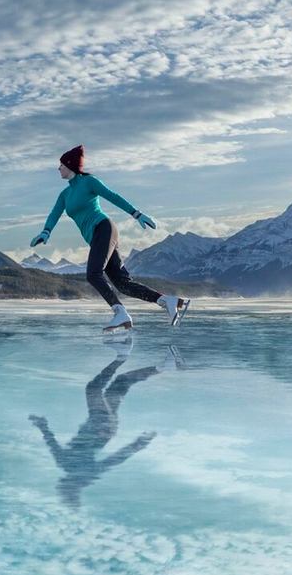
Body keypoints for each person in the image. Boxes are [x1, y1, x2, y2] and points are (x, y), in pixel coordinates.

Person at [31, 145, 187, 331]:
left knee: (93, 274)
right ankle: (166, 301)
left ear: (70, 164)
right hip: (97, 236)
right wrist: (45, 232)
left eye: (61, 165)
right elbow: (54, 214)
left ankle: (120, 313)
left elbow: (113, 196)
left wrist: (137, 214)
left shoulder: (89, 182)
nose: (59, 168)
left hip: (104, 228)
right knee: (122, 283)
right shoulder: (64, 195)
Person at [30, 350, 166, 507]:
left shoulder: (67, 465)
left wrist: (42, 425)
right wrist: (138, 444)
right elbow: (115, 459)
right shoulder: (83, 472)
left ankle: (163, 366)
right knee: (93, 389)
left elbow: (51, 442)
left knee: (120, 384)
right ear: (71, 486)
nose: (61, 483)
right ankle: (121, 358)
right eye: (64, 487)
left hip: (105, 428)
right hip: (99, 426)